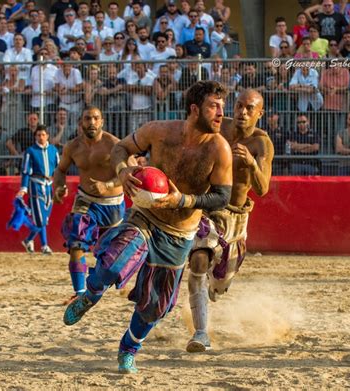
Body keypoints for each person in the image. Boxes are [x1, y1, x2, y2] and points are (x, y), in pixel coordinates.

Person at [62, 81, 233, 374]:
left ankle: (128, 348)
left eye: (221, 107)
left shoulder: (220, 149)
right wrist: (123, 170)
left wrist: (183, 199)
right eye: (213, 107)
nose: (220, 114)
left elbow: (222, 197)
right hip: (145, 217)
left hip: (180, 234)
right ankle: (90, 293)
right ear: (194, 110)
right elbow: (121, 148)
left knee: (155, 306)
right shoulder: (159, 131)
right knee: (115, 262)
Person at [186, 89, 274, 352]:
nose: (242, 113)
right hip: (210, 206)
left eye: (249, 108)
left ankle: (215, 287)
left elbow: (263, 189)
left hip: (236, 218)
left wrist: (252, 164)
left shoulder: (262, 143)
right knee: (198, 259)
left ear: (260, 113)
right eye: (238, 106)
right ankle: (201, 333)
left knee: (221, 282)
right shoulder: (218, 127)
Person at [53, 106, 128, 297]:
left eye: (96, 118)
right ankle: (79, 293)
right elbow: (60, 170)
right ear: (81, 123)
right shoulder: (72, 147)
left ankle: (99, 285)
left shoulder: (115, 145)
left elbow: (130, 173)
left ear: (102, 121)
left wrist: (108, 185)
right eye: (87, 118)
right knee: (76, 241)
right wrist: (59, 187)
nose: (92, 122)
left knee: (109, 257)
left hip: (112, 204)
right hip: (85, 200)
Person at [17, 125, 60, 255]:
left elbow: (59, 169)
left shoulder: (53, 150)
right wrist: (23, 189)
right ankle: (44, 245)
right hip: (36, 185)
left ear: (47, 136)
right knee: (41, 219)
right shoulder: (30, 151)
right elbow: (25, 171)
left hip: (49, 186)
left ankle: (30, 240)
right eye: (38, 135)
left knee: (44, 219)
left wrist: (60, 185)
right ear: (35, 136)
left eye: (43, 135)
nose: (41, 137)